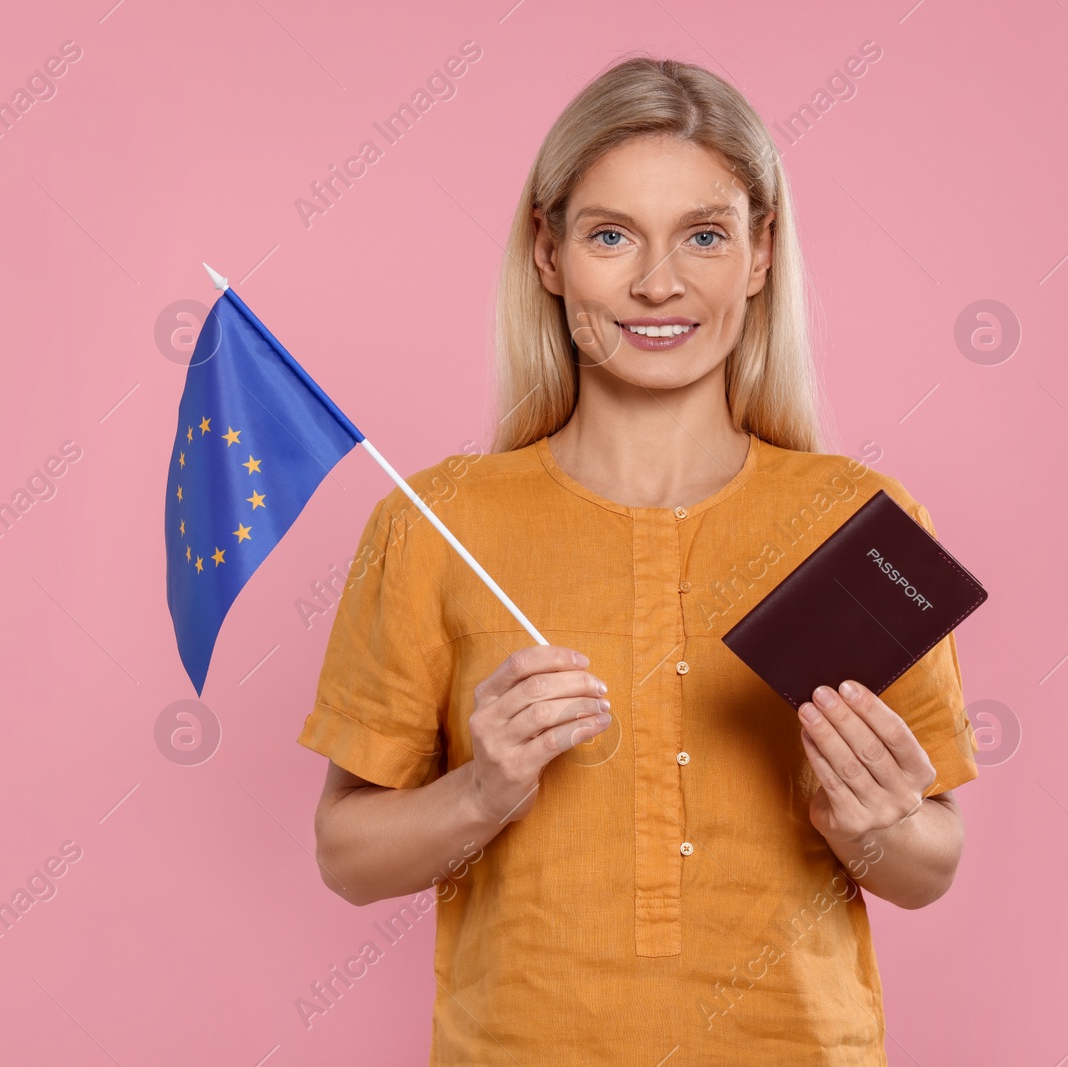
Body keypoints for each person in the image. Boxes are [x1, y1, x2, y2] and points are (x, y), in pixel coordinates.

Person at [296, 55, 981, 1066]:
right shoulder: (435, 522)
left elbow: (929, 866)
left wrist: (862, 820)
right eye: (610, 234)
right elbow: (346, 857)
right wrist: (481, 789)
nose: (657, 282)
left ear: (757, 255)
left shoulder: (859, 525)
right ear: (548, 253)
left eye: (703, 235)